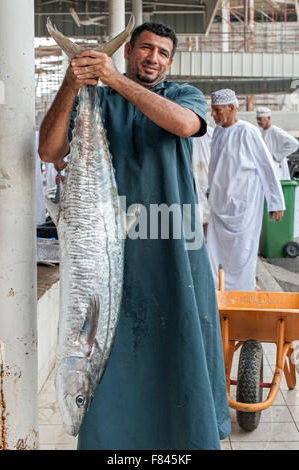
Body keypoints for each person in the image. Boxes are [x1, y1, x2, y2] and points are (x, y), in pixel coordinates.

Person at [38, 22, 230, 450]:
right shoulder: (99, 98)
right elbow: (50, 151)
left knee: (181, 341)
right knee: (110, 350)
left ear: (171, 62)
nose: (154, 58)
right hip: (107, 252)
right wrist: (75, 82)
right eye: (146, 49)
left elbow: (184, 126)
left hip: (177, 247)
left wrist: (113, 80)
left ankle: (186, 444)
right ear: (128, 52)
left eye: (163, 53)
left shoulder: (185, 96)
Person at [207, 89, 285, 292]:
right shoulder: (217, 132)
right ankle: (219, 293)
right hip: (219, 203)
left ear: (231, 108)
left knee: (242, 253)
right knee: (215, 253)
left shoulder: (248, 131)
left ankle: (243, 292)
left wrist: (276, 202)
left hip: (244, 205)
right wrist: (210, 189)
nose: (213, 115)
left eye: (216, 110)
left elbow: (266, 167)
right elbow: (214, 165)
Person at [256, 106, 299, 180]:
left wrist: (276, 156)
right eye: (257, 119)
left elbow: (294, 144)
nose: (258, 121)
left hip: (275, 167)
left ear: (268, 118)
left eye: (261, 119)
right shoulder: (259, 131)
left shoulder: (276, 131)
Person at [192, 124, 213, 238]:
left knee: (209, 214)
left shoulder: (212, 133)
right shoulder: (188, 134)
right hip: (195, 176)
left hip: (208, 178)